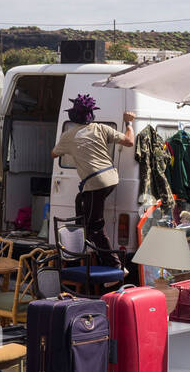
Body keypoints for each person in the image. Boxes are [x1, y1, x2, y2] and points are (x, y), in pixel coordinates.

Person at [50, 94, 135, 268]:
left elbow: (53, 154)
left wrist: (73, 150)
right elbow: (129, 141)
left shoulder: (69, 135)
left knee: (95, 225)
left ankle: (115, 265)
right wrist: (129, 123)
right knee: (81, 201)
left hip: (95, 182)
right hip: (111, 178)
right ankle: (85, 244)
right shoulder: (101, 128)